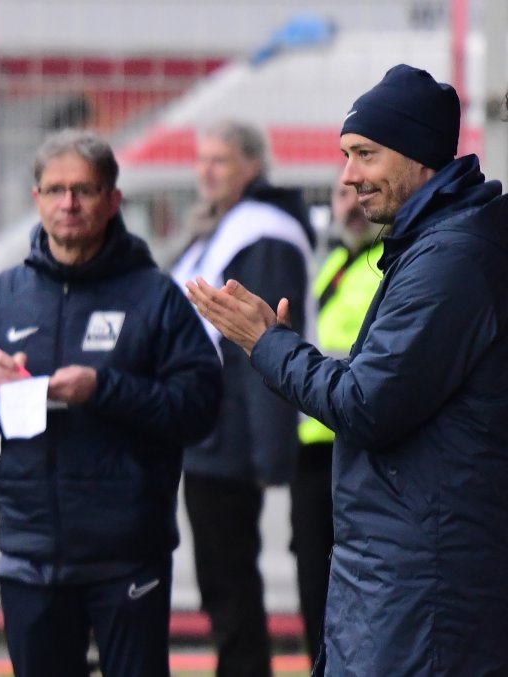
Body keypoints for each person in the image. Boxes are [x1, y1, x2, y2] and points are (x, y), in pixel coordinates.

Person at [186, 64, 508, 675]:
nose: (348, 176)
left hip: (423, 586)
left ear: (418, 155)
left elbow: (367, 403)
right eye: (345, 155)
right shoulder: (436, 244)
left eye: (365, 154)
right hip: (404, 574)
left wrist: (266, 342)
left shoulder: (452, 258)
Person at [0, 129, 222, 677]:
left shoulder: (153, 295)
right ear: (36, 199)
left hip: (127, 552)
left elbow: (200, 406)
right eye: (56, 190)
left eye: (85, 190)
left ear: (113, 200)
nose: (69, 204)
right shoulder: (2, 296)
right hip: (29, 552)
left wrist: (105, 389)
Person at [169, 119, 313, 677]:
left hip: (229, 440)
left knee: (231, 591)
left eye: (220, 160)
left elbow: (263, 342)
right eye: (201, 158)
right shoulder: (222, 226)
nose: (206, 170)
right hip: (207, 434)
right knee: (221, 585)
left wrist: (268, 453)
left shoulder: (262, 233)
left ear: (252, 166)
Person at [290, 180, 382, 663]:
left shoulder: (389, 266)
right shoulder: (330, 265)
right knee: (312, 580)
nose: (350, 206)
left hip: (359, 442)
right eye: (341, 196)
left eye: (358, 195)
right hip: (312, 446)